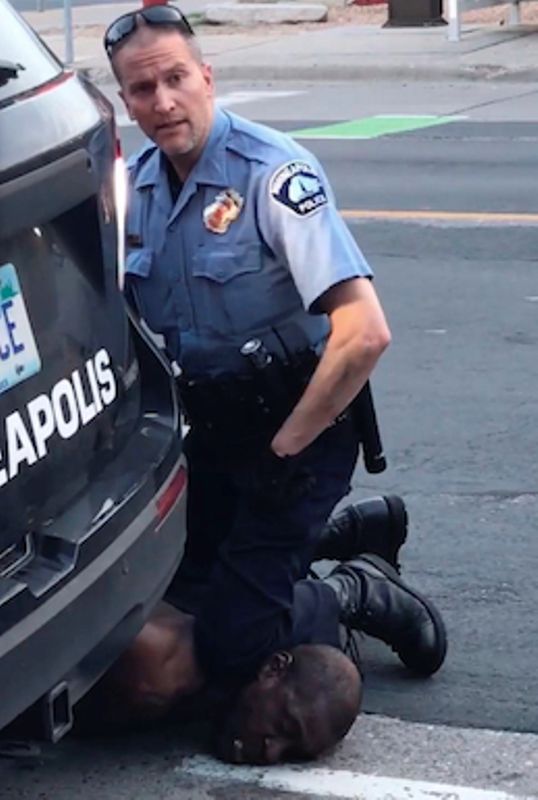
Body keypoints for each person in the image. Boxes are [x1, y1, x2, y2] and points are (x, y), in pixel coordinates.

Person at [103, 6, 445, 704]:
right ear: (125, 100)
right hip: (212, 431)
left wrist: (288, 448)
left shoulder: (273, 174)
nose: (163, 102)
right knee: (174, 591)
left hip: (299, 434)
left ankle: (356, 590)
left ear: (206, 75)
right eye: (142, 90)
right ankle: (340, 532)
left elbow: (364, 330)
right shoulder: (135, 187)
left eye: (175, 79)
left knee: (233, 642)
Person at [78, 501, 446, 765]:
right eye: (284, 726)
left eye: (291, 754)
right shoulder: (153, 671)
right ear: (272, 669)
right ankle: (351, 590)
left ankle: (325, 542)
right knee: (223, 646)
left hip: (183, 572)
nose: (271, 751)